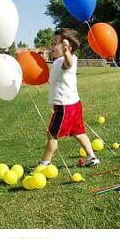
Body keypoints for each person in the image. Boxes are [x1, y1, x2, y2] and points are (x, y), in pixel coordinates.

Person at [38, 29, 98, 168]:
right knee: (79, 132)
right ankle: (92, 157)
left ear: (68, 47)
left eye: (55, 43)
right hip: (74, 105)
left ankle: (44, 164)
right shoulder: (57, 62)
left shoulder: (67, 60)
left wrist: (66, 52)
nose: (52, 46)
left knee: (52, 135)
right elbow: (56, 80)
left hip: (64, 107)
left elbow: (68, 63)